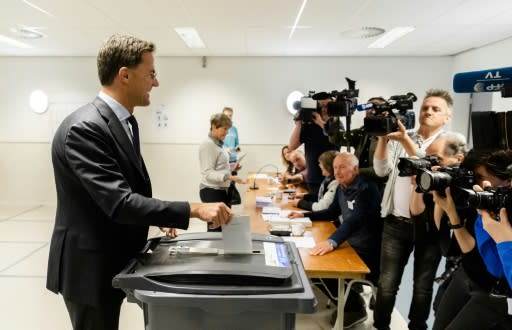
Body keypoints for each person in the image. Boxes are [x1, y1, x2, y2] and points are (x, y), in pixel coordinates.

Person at [46, 35, 233, 330]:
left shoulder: (123, 122)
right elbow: (119, 202)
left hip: (114, 256)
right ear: (125, 75)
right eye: (151, 74)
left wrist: (157, 217)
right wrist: (194, 209)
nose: (155, 83)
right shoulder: (85, 128)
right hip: (89, 267)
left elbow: (126, 188)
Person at [373, 89, 454, 330]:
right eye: (425, 108)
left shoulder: (450, 143)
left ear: (447, 117)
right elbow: (381, 170)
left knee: (422, 285)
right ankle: (380, 326)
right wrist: (383, 139)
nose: (427, 112)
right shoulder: (403, 135)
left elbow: (426, 169)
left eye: (435, 109)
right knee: (386, 283)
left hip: (430, 226)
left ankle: (417, 328)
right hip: (396, 222)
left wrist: (404, 141)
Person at [289, 152, 382, 328]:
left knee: (323, 267)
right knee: (315, 266)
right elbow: (331, 212)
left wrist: (332, 241)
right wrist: (304, 215)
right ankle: (352, 302)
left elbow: (355, 219)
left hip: (366, 250)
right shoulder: (342, 187)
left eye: (342, 167)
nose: (337, 172)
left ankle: (354, 308)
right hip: (351, 244)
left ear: (355, 169)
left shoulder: (366, 189)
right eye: (335, 167)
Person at [432, 149, 512, 330]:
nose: (473, 183)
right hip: (466, 273)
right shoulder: (474, 195)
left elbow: (491, 264)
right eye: (471, 176)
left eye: (479, 176)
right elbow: (442, 238)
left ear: (506, 180)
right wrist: (442, 200)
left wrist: (500, 235)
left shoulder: (502, 208)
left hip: (489, 289)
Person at [408, 133, 468, 313]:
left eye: (437, 159)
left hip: (471, 265)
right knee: (439, 307)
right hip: (454, 262)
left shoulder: (465, 186)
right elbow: (431, 224)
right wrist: (419, 187)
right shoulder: (440, 182)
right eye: (429, 159)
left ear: (458, 159)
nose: (433, 165)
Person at [329, 96, 388, 193]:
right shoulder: (362, 132)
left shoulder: (389, 135)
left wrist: (355, 171)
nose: (370, 110)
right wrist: (336, 115)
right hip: (359, 186)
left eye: (375, 107)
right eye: (367, 107)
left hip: (379, 188)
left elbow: (382, 171)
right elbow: (336, 139)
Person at [199, 113, 246, 232]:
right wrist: (230, 177)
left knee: (224, 228)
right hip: (211, 192)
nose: (226, 133)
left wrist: (232, 168)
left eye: (228, 129)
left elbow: (218, 167)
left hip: (220, 191)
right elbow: (208, 173)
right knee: (216, 231)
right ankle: (214, 251)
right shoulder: (207, 145)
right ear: (214, 126)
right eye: (224, 129)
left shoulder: (218, 144)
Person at [288, 92, 339, 196]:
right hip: (313, 178)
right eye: (321, 106)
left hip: (331, 178)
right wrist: (298, 124)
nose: (324, 109)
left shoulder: (336, 124)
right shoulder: (310, 125)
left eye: (327, 106)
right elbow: (292, 146)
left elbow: (335, 140)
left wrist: (320, 122)